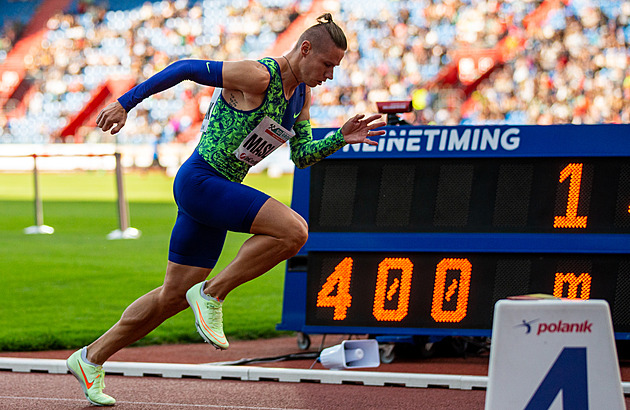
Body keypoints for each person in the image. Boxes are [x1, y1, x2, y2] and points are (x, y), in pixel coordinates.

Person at [66, 13, 386, 406]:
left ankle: (90, 357)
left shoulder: (301, 96)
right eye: (327, 65)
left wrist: (339, 137)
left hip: (217, 193)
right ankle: (213, 294)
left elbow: (301, 156)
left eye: (335, 68)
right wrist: (124, 103)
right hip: (202, 181)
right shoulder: (259, 76)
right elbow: (185, 68)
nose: (330, 76)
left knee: (172, 296)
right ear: (305, 49)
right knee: (293, 231)